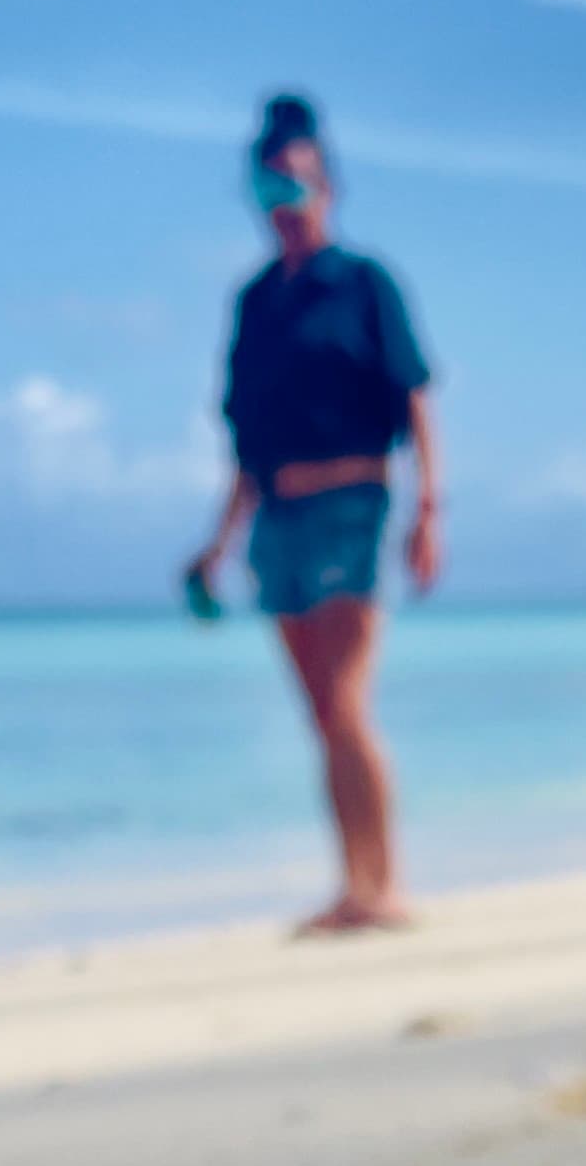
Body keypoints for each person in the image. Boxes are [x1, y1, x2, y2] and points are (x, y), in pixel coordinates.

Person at [186, 93, 443, 934]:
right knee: (320, 716)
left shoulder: (365, 284)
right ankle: (353, 885)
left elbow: (416, 398)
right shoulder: (256, 303)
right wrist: (217, 547)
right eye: (270, 190)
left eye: (298, 185)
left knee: (346, 701)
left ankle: (386, 884)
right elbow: (246, 444)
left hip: (356, 504)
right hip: (278, 519)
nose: (285, 204)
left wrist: (429, 509)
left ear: (328, 188)